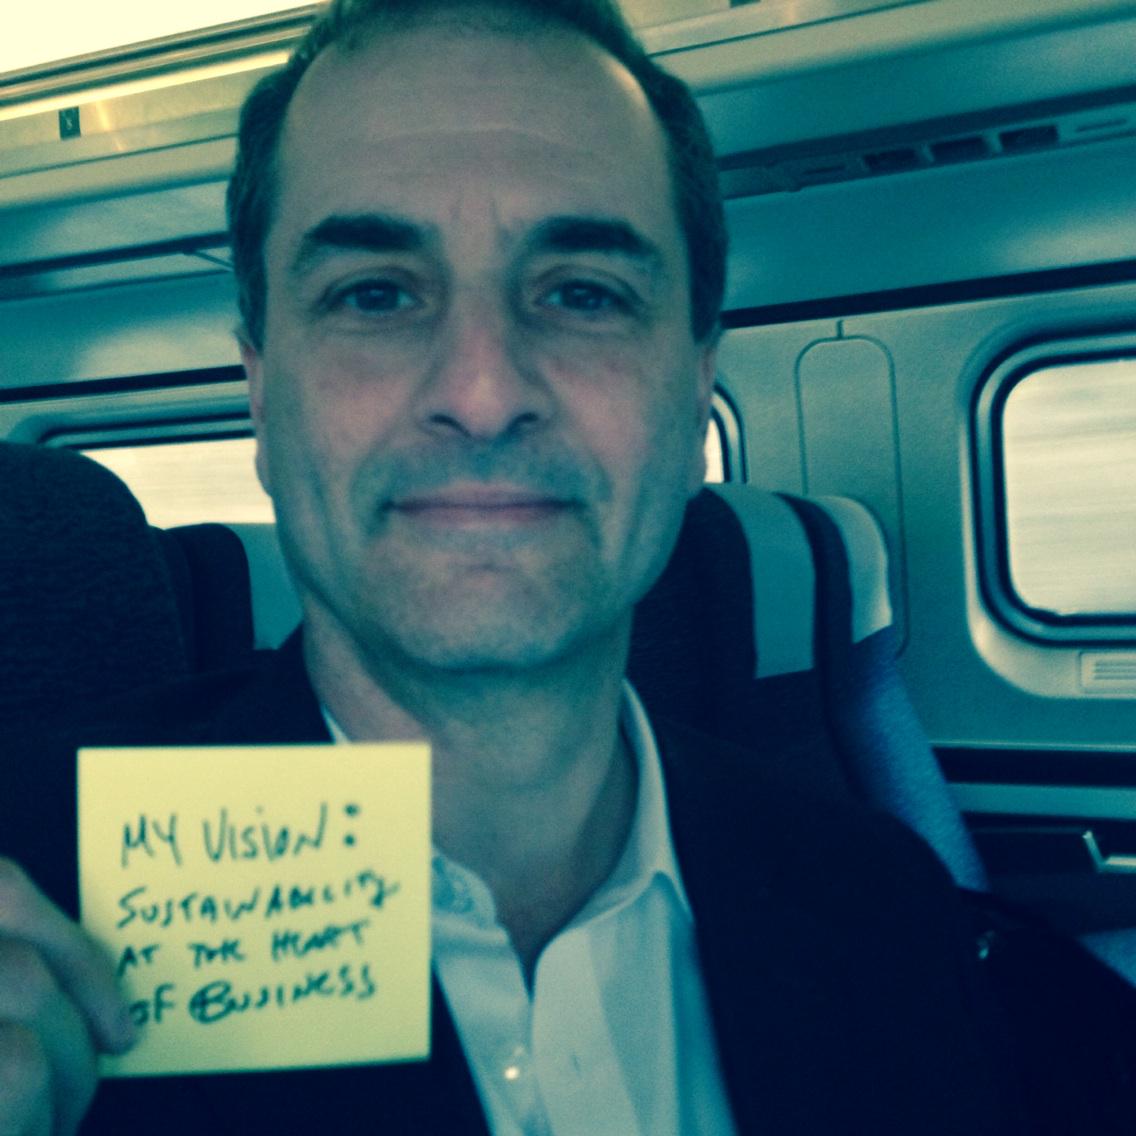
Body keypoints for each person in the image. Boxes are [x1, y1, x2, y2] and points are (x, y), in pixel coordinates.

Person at [0, 1, 1034, 1132]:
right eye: (374, 293)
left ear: (696, 384)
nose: (483, 393)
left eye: (583, 292)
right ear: (259, 389)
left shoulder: (888, 907)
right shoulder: (33, 895)